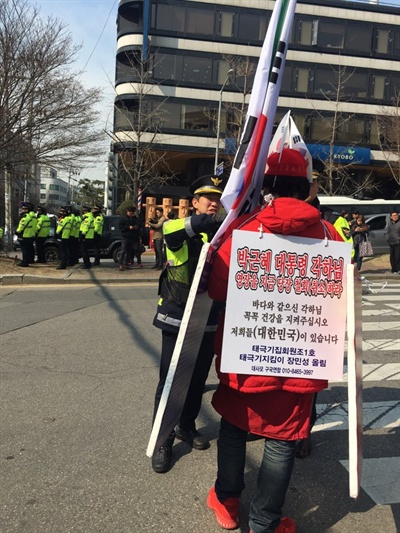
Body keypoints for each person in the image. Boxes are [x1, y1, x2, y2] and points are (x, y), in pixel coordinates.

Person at [206, 148, 343, 533]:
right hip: (300, 357)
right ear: (305, 189)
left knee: (234, 427)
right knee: (281, 440)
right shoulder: (329, 234)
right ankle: (264, 522)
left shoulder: (245, 230)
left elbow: (218, 289)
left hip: (247, 351)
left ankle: (227, 500)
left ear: (266, 186)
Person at [151, 174, 226, 474]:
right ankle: (162, 438)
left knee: (196, 379)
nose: (213, 202)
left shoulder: (221, 233)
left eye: (217, 198)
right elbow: (176, 233)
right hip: (176, 315)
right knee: (171, 380)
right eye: (207, 197)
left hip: (208, 317)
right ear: (194, 202)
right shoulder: (176, 226)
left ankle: (186, 425)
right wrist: (208, 223)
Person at [118, 206, 142, 271]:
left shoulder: (135, 219)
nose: (130, 214)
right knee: (123, 250)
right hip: (125, 237)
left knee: (129, 251)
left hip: (132, 237)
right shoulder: (123, 218)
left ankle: (126, 264)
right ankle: (120, 264)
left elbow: (139, 224)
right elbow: (120, 227)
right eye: (129, 213)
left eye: (131, 213)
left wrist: (136, 227)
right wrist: (128, 227)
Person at [16, 202, 37, 267]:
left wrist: (17, 231)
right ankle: (31, 260)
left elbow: (22, 225)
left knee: (24, 249)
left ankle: (25, 262)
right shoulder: (34, 216)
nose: (22, 210)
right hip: (31, 235)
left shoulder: (26, 217)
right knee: (30, 248)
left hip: (25, 235)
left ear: (26, 210)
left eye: (23, 209)